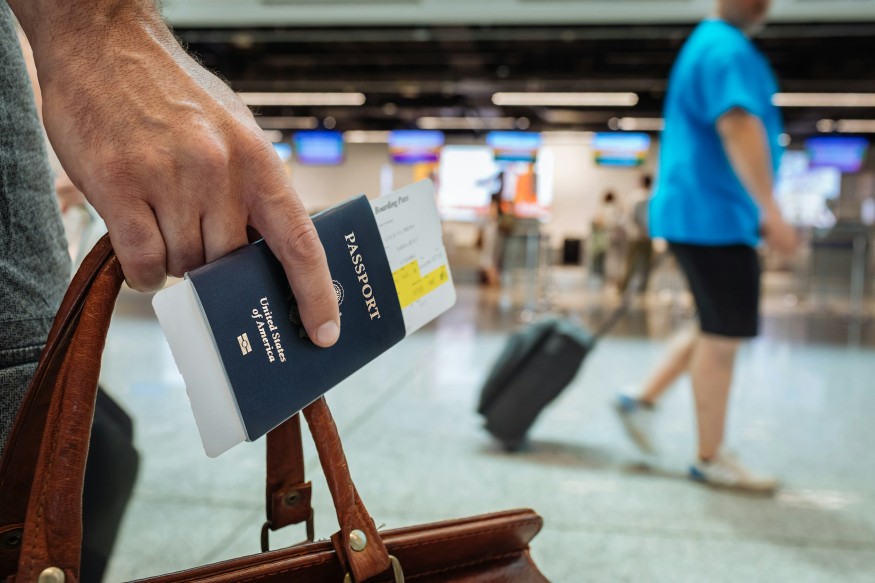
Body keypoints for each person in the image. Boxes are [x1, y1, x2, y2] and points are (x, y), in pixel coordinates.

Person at [614, 0, 798, 492]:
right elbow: (738, 125)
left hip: (703, 212)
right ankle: (709, 456)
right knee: (723, 336)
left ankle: (641, 399)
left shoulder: (710, 42)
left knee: (715, 320)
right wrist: (772, 210)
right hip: (712, 214)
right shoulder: (725, 49)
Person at [619, 174, 654, 293]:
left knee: (631, 262)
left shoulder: (634, 196)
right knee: (646, 263)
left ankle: (624, 287)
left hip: (635, 235)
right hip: (648, 235)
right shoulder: (653, 196)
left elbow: (630, 216)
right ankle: (643, 288)